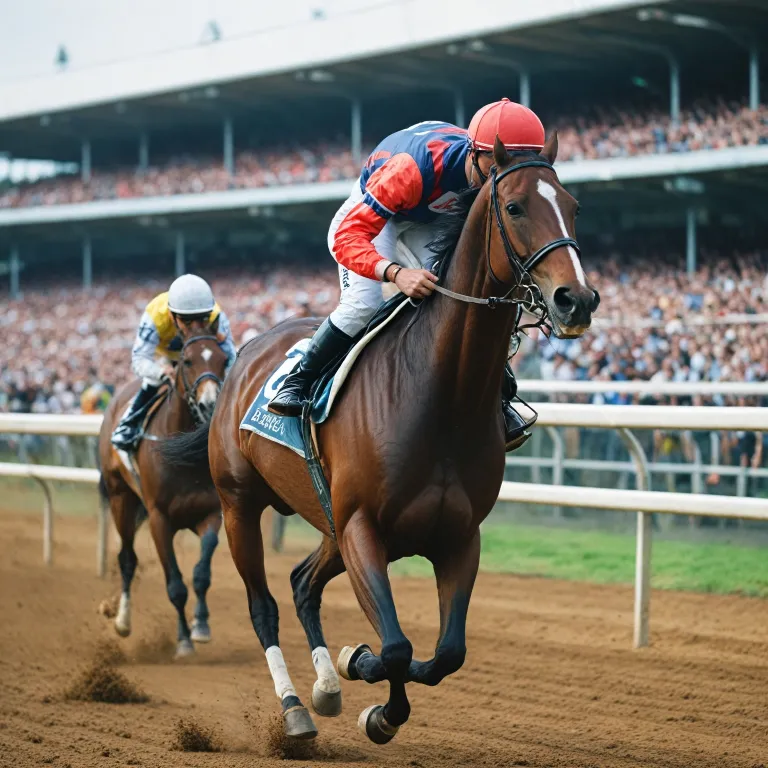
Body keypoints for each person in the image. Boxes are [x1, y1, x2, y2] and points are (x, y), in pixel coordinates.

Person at [269, 98, 546, 450]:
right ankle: (297, 382)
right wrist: (396, 274)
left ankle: (501, 398)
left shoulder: (491, 170)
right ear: (475, 154)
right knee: (363, 303)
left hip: (428, 218)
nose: (504, 179)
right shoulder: (412, 170)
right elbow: (347, 237)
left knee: (462, 296)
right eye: (498, 166)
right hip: (375, 218)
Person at [111, 274, 237, 450]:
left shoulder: (216, 315)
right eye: (187, 321)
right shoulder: (154, 315)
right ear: (172, 315)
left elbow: (231, 357)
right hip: (166, 357)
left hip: (201, 357)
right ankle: (128, 424)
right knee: (152, 380)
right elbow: (139, 359)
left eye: (202, 319)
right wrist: (161, 372)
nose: (195, 326)